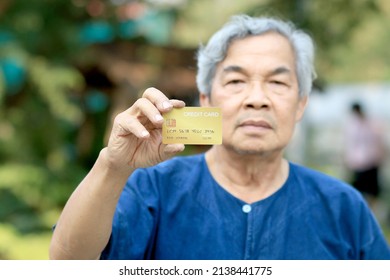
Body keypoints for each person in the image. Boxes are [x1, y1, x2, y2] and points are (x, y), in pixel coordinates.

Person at [49, 15, 390, 260]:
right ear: (207, 99)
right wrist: (113, 166)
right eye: (236, 81)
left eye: (278, 82)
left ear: (300, 104)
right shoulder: (152, 190)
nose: (257, 98)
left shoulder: (344, 207)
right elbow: (67, 264)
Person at [344, 101, 386, 208]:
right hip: (358, 163)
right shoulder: (353, 125)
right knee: (358, 191)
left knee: (372, 192)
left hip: (371, 162)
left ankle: (370, 212)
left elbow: (379, 141)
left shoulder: (371, 123)